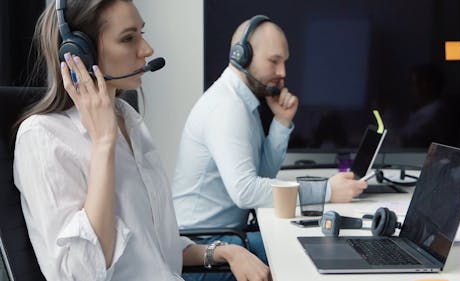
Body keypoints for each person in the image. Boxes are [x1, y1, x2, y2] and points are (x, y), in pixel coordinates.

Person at [13, 1, 270, 280]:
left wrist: (226, 252)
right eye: (128, 38)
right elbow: (82, 273)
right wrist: (103, 144)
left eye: (141, 34)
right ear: (79, 53)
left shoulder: (129, 119)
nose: (147, 50)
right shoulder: (42, 137)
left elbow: (156, 249)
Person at [172, 15, 368, 267]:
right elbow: (245, 192)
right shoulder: (227, 107)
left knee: (310, 242)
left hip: (223, 237)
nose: (282, 72)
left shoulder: (244, 102)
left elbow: (262, 175)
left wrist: (282, 121)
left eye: (284, 62)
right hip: (203, 248)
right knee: (311, 252)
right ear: (241, 55)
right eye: (274, 61)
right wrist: (326, 191)